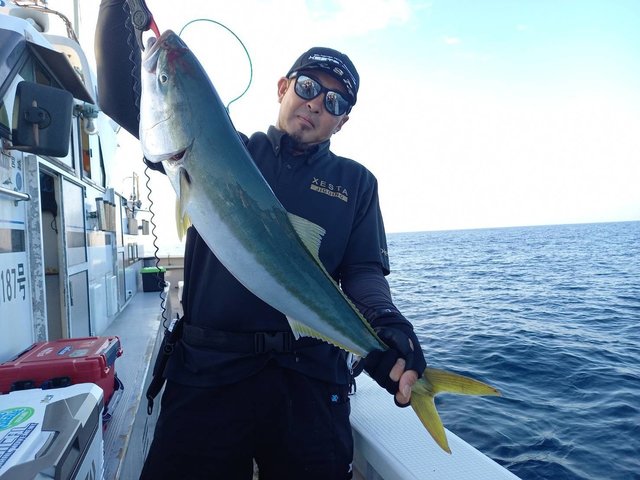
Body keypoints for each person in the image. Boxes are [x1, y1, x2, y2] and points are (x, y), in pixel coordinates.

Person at [95, 3, 426, 479]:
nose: (316, 104)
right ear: (283, 88)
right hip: (209, 371)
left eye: (334, 102)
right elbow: (119, 98)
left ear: (343, 121)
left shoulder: (356, 183)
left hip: (309, 380)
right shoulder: (221, 147)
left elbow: (362, 272)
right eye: (308, 87)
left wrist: (385, 324)